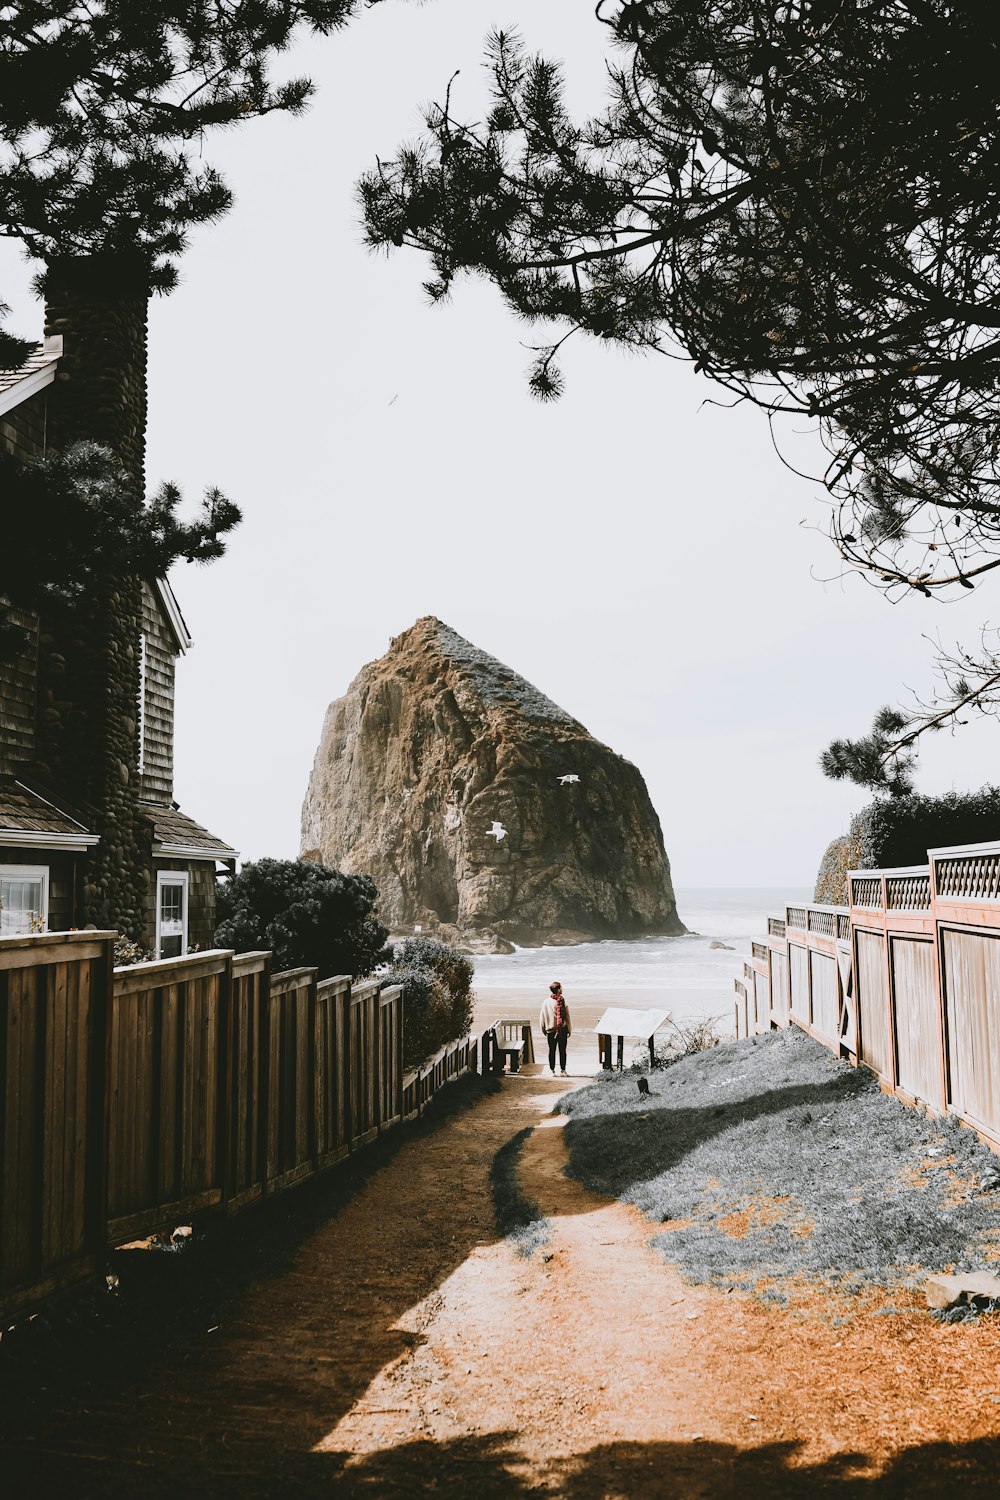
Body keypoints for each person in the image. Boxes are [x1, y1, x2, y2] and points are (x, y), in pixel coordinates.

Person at [540, 980, 572, 1076]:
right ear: (558, 990)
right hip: (562, 1030)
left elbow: (542, 1017)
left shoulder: (545, 1002)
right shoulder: (563, 1001)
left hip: (550, 1030)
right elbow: (567, 1017)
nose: (562, 989)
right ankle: (563, 1071)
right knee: (562, 1051)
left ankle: (552, 1071)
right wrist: (569, 1029)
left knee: (551, 1051)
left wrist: (543, 1029)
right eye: (561, 987)